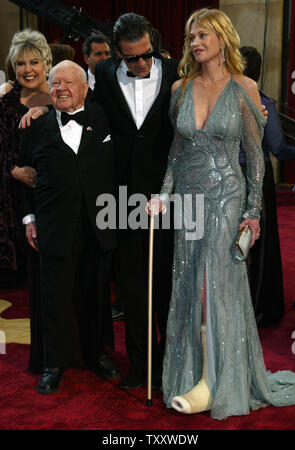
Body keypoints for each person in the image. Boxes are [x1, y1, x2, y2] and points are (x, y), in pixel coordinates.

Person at [148, 8, 295, 420]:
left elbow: (255, 158)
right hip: (188, 202)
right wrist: (162, 195)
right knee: (188, 281)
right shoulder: (180, 88)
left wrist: (252, 212)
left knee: (212, 285)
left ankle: (214, 382)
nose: (195, 43)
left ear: (222, 37)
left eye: (202, 35)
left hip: (227, 196)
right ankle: (198, 371)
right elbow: (176, 153)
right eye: (191, 36)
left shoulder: (244, 87)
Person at [19, 60, 120, 394]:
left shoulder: (105, 119)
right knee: (55, 297)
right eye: (55, 82)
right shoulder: (35, 126)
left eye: (68, 82)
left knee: (96, 294)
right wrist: (29, 218)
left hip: (98, 225)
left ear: (85, 88)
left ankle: (97, 355)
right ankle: (53, 363)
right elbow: (22, 176)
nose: (61, 87)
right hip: (54, 226)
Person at [92, 13, 179, 390]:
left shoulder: (177, 72)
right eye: (132, 58)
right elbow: (83, 109)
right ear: (116, 54)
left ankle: (169, 365)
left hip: (173, 194)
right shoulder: (106, 76)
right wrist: (40, 106)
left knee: (167, 285)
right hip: (123, 198)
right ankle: (141, 367)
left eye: (147, 54)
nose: (141, 63)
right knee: (131, 286)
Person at [0, 29, 52, 374]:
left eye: (34, 61)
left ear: (46, 63)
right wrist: (13, 170)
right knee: (30, 276)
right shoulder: (5, 102)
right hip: (15, 196)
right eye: (21, 63)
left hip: (54, 195)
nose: (28, 69)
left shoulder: (63, 94)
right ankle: (43, 353)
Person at [239, 46, 295, 326]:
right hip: (256, 179)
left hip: (226, 179)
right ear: (260, 71)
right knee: (259, 245)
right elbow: (280, 149)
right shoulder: (263, 102)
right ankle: (258, 307)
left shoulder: (220, 99)